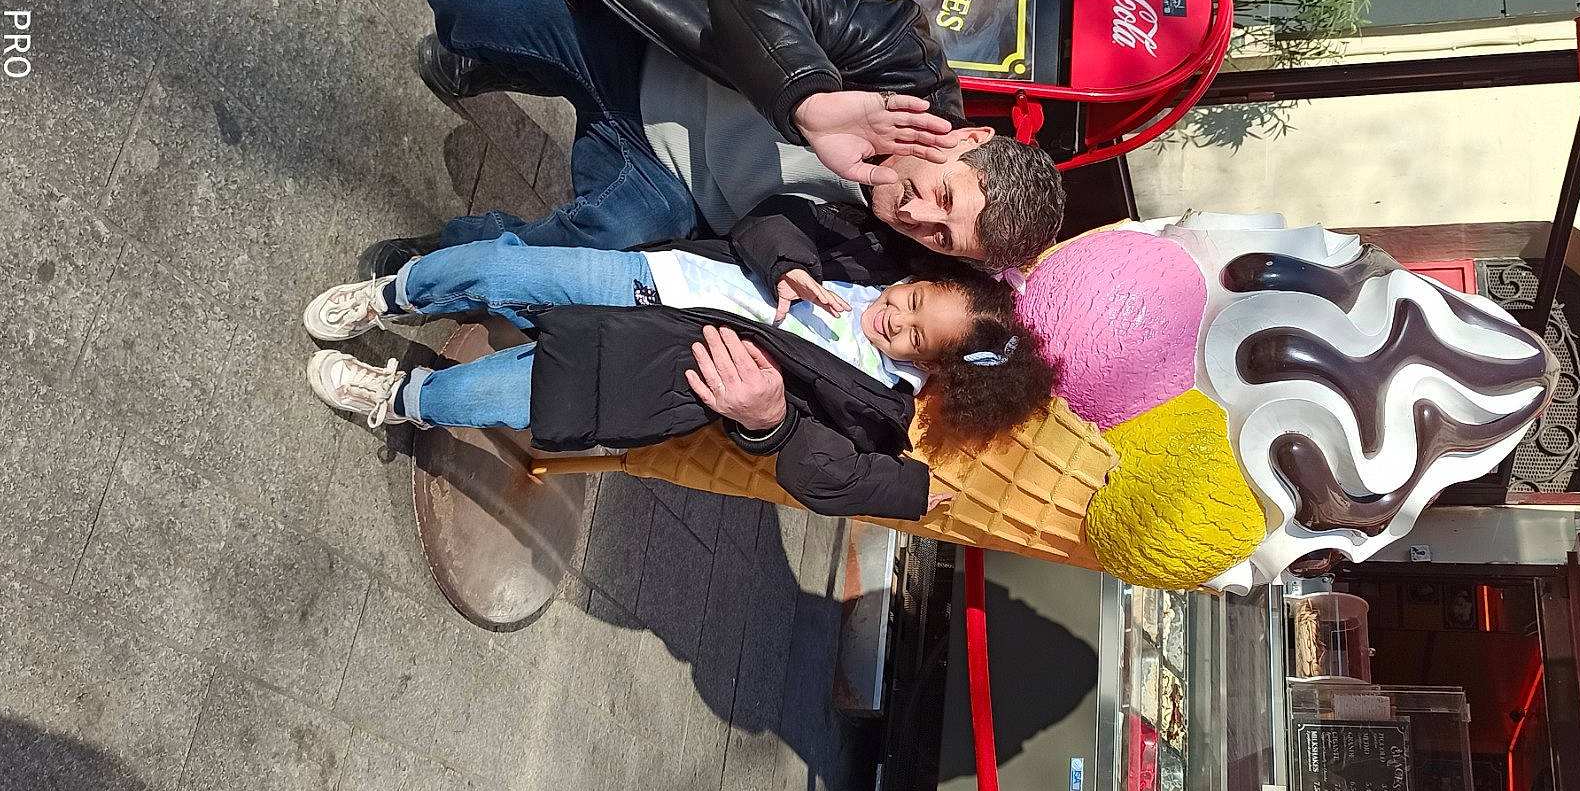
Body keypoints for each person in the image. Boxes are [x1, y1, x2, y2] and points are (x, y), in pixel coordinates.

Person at [364, 0, 1065, 296]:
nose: (919, 217)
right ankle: (501, 58)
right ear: (970, 136)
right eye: (944, 193)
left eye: (943, 237)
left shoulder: (893, 256)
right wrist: (811, 100)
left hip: (667, 188)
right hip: (650, 50)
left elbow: (770, 243)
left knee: (583, 256)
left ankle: (445, 264)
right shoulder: (903, 58)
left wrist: (785, 261)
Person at [300, 235, 1057, 520]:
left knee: (487, 393)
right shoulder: (865, 261)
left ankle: (401, 398)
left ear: (933, 370)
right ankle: (395, 294)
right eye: (915, 299)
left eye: (919, 338)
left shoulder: (879, 404)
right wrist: (782, 255)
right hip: (646, 278)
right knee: (502, 267)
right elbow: (771, 216)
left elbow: (833, 476)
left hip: (648, 369)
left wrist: (775, 423)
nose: (897, 318)